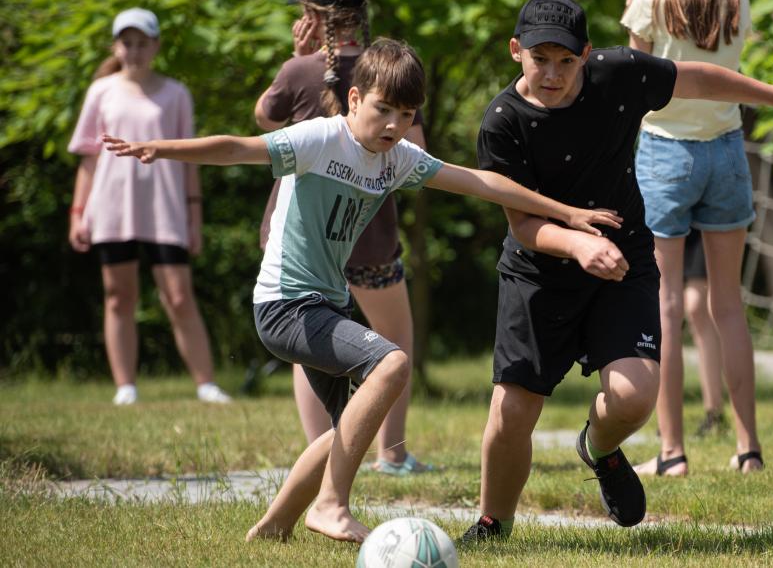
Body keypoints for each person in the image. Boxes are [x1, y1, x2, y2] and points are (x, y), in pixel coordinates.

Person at [104, 38, 623, 542]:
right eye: (383, 110)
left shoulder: (396, 158)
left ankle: (275, 525)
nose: (395, 125)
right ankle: (330, 506)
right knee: (392, 363)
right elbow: (238, 148)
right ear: (354, 99)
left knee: (344, 428)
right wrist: (160, 148)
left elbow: (480, 183)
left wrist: (566, 212)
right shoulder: (319, 138)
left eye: (407, 114)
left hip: (325, 302)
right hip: (285, 304)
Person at [461, 0, 773, 541]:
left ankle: (599, 447)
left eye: (566, 61)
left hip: (622, 259)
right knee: (514, 411)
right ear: (515, 51)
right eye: (540, 58)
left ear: (586, 55)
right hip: (539, 272)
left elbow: (701, 79)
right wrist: (576, 244)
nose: (553, 73)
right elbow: (521, 224)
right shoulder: (502, 122)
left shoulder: (617, 74)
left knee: (637, 394)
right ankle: (493, 524)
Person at [254, 0, 433, 475]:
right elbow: (416, 149)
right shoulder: (389, 72)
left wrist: (297, 59)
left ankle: (320, 452)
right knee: (395, 340)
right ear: (362, 13)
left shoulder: (299, 72)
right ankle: (392, 454)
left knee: (308, 348)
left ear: (311, 14)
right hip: (370, 232)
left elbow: (265, 119)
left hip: (301, 236)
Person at [619, 0, 761, 477]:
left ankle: (672, 451)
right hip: (726, 150)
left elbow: (634, 84)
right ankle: (748, 448)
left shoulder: (650, 2)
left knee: (667, 306)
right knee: (728, 305)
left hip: (665, 155)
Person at [68, 7, 231, 406]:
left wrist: (194, 218)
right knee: (118, 296)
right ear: (116, 46)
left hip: (165, 207)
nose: (135, 50)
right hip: (111, 208)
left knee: (178, 296)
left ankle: (206, 384)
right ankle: (126, 386)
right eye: (127, 42)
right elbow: (89, 158)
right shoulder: (100, 92)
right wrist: (78, 213)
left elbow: (189, 159)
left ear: (156, 46)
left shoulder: (176, 93)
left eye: (143, 42)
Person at [683, 230, 728, 438]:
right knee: (665, 310)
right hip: (668, 209)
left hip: (702, 218)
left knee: (696, 306)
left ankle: (714, 411)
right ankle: (668, 418)